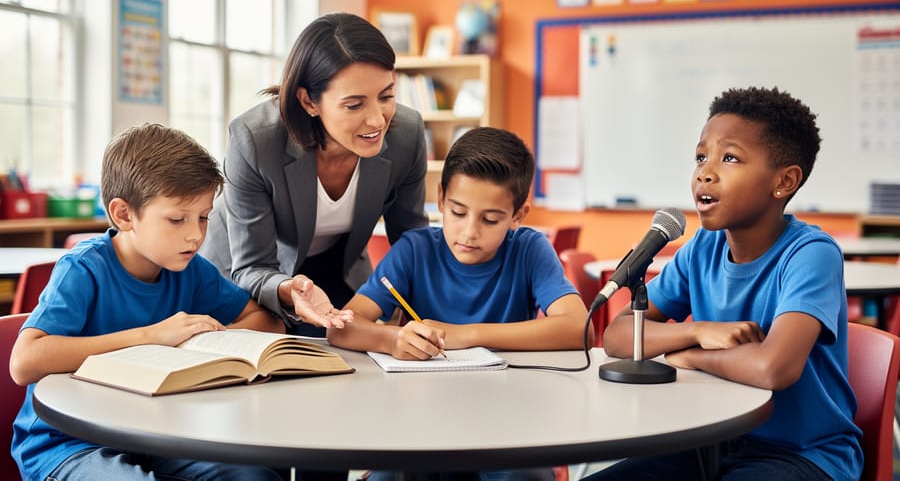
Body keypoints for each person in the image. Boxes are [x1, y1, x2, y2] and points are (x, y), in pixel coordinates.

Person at [586, 87, 862, 481]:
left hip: (802, 456)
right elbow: (617, 336)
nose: (705, 172)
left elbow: (774, 368)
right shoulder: (703, 247)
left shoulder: (811, 254)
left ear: (784, 182)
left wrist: (690, 355)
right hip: (710, 442)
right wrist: (701, 331)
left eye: (729, 158)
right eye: (701, 157)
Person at [9, 123, 288, 481]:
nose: (195, 234)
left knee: (253, 477)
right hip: (67, 445)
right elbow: (25, 361)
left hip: (156, 435)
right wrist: (150, 337)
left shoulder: (190, 269)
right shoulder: (84, 269)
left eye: (203, 217)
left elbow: (266, 320)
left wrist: (200, 343)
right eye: (176, 219)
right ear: (124, 215)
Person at [328, 127, 590, 481]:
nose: (469, 232)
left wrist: (466, 335)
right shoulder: (415, 250)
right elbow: (342, 327)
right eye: (458, 212)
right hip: (418, 421)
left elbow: (578, 328)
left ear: (518, 215)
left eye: (490, 219)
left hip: (507, 423)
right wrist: (392, 339)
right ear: (440, 197)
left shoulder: (528, 249)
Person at [200, 12, 429, 338]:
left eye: (387, 96)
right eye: (354, 105)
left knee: (350, 362)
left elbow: (411, 238)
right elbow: (252, 266)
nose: (378, 120)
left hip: (339, 269)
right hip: (253, 275)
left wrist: (421, 307)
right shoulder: (255, 139)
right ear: (309, 101)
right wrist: (289, 288)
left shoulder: (406, 134)